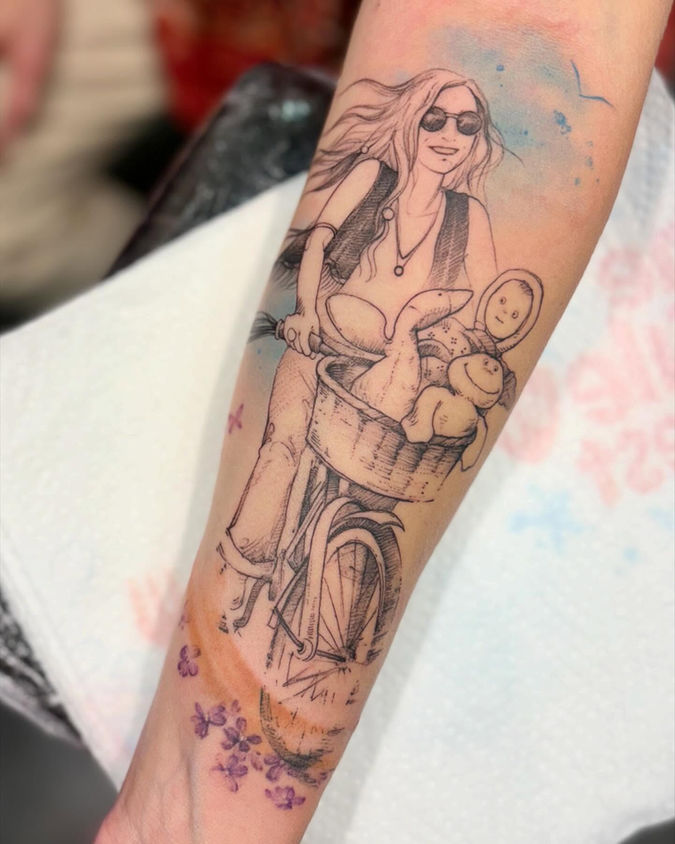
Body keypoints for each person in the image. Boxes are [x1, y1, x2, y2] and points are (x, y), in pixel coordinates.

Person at [223, 68, 505, 570]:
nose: (449, 135)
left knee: (373, 486)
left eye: (466, 125)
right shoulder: (373, 176)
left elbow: (485, 307)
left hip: (393, 376)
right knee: (283, 447)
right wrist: (305, 313)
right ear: (412, 119)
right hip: (322, 343)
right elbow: (318, 243)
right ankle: (245, 564)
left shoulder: (469, 217)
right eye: (435, 119)